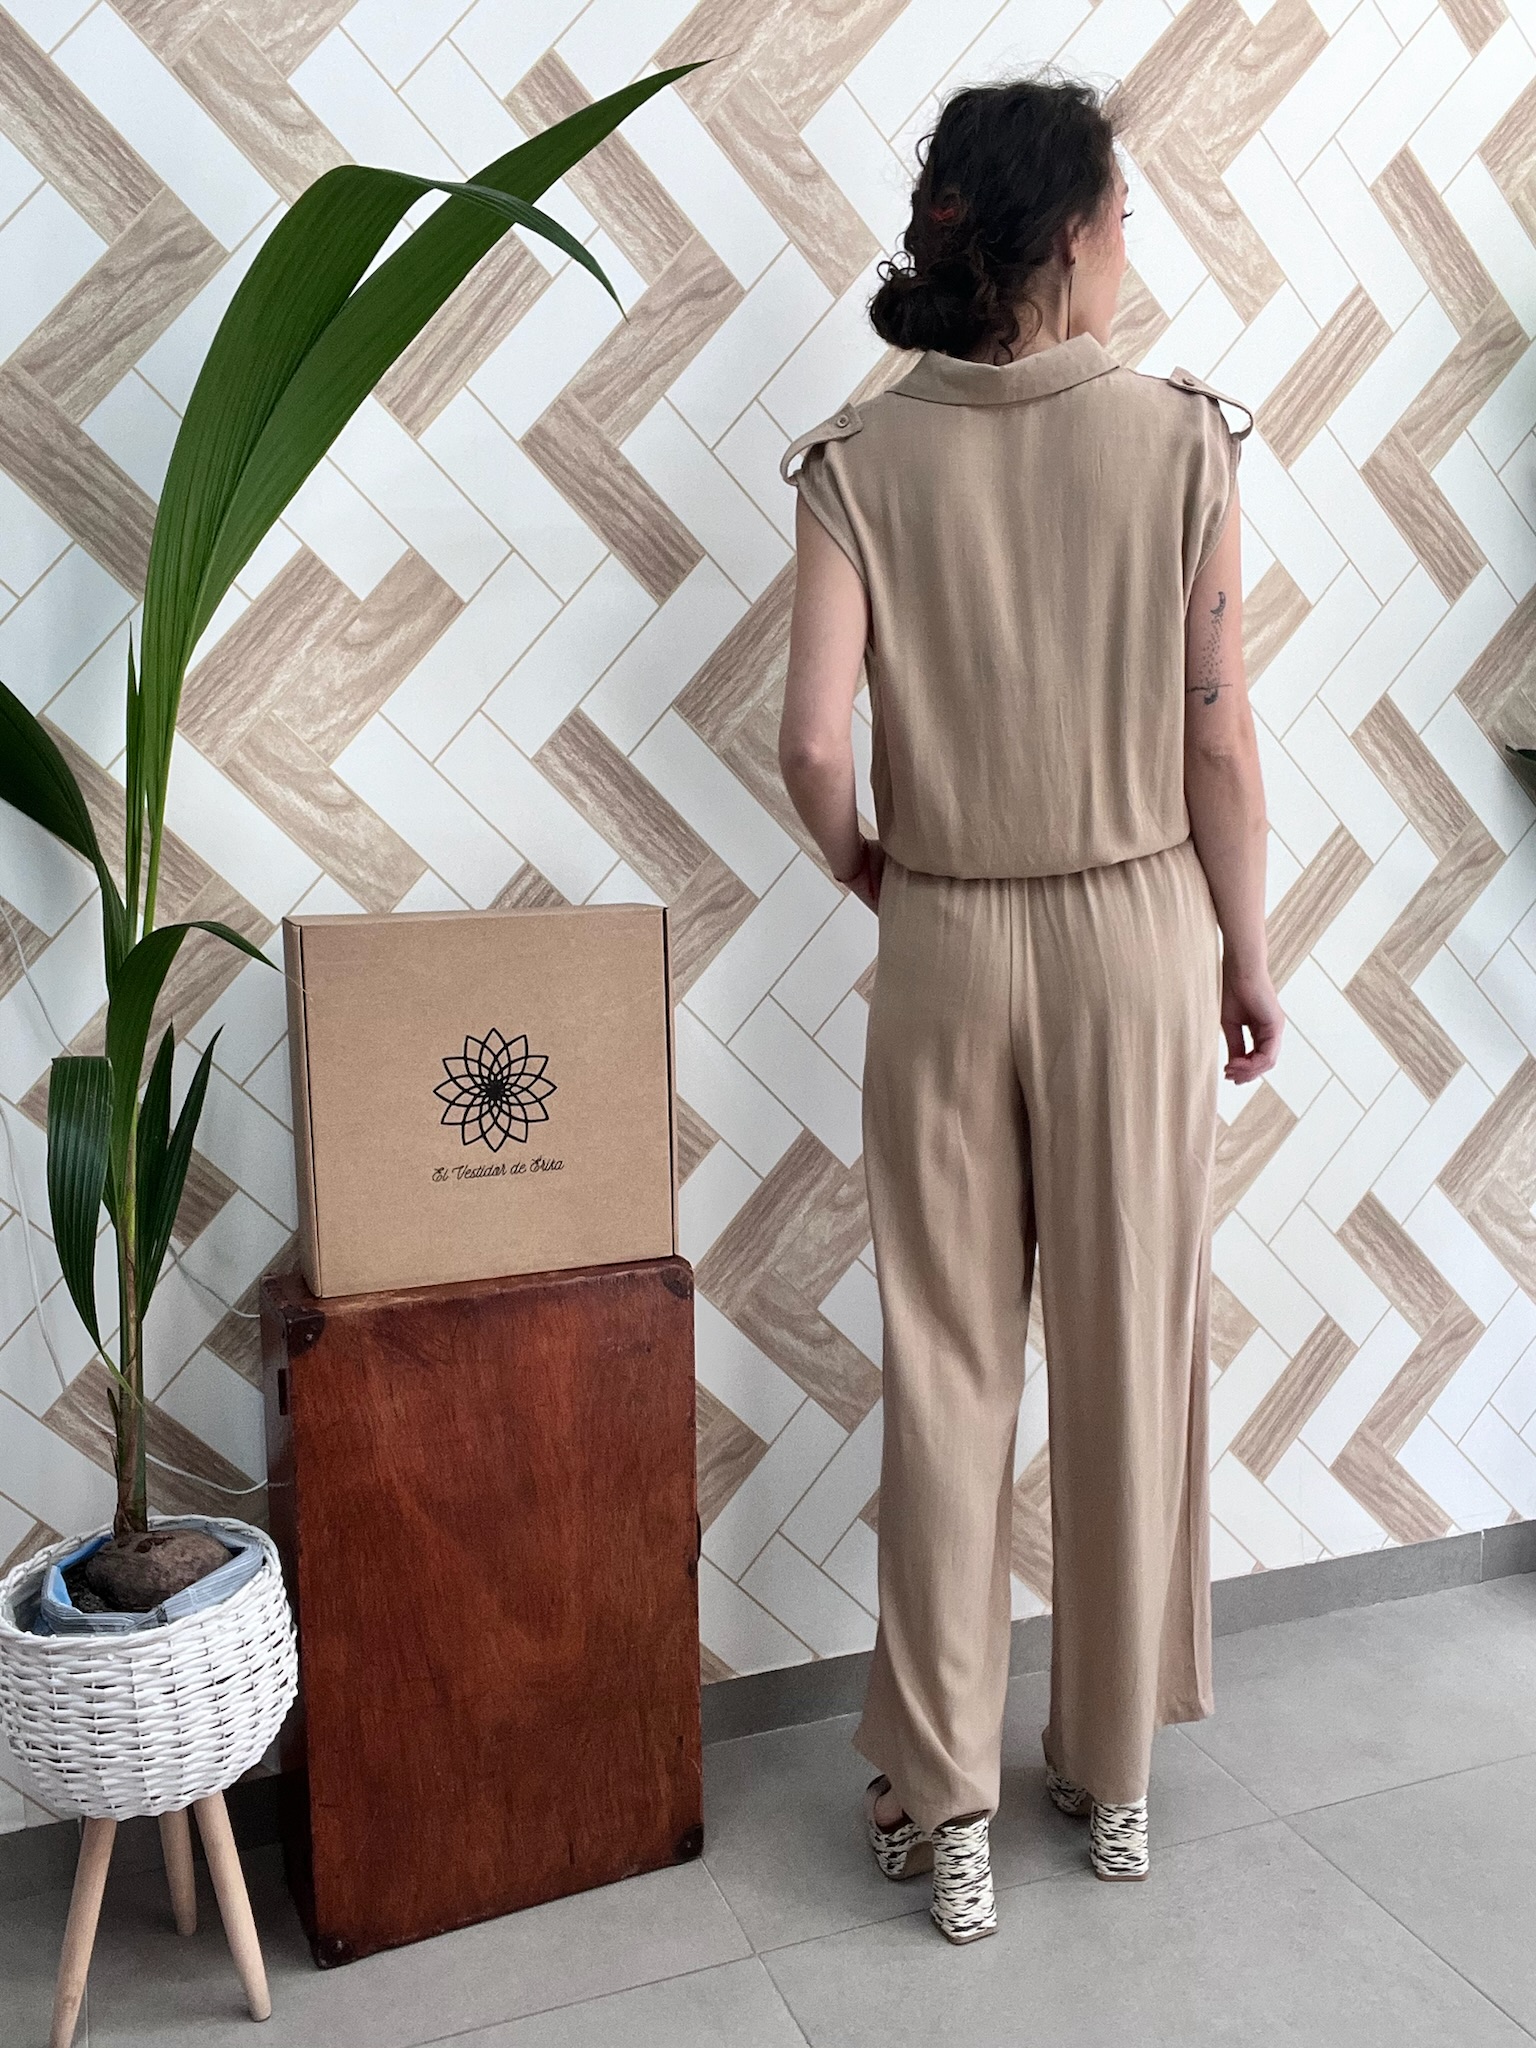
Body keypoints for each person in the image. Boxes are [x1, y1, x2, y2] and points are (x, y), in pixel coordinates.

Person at [776, 73, 1283, 1947]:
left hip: (945, 938)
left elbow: (810, 743)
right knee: (1128, 1351)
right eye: (1123, 217)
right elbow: (1217, 740)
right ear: (1068, 237)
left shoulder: (858, 456)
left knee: (948, 1373)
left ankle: (946, 1803)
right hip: (1138, 936)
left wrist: (869, 866)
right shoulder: (1182, 439)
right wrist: (1245, 950)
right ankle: (1110, 1779)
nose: (1132, 248)